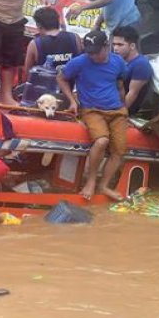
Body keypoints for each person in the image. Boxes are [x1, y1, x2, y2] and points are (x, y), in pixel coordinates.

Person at [57, 31, 128, 201]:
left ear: (106, 46)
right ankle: (90, 181)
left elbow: (120, 85)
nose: (93, 56)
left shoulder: (118, 62)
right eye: (90, 52)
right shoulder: (80, 62)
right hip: (92, 110)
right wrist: (72, 101)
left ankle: (103, 186)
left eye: (96, 52)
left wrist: (125, 108)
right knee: (102, 140)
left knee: (119, 151)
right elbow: (61, 78)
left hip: (117, 110)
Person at [24, 7, 83, 73]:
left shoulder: (34, 44)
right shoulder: (75, 37)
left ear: (38, 25)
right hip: (71, 82)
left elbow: (28, 72)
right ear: (57, 22)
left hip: (44, 82)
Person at [111, 25, 154, 115]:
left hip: (122, 109)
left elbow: (132, 94)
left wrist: (116, 114)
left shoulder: (141, 64)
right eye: (114, 44)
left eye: (120, 45)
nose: (115, 48)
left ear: (132, 46)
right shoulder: (118, 60)